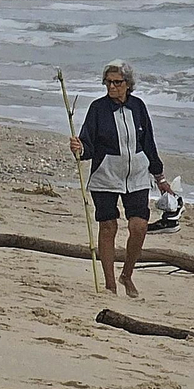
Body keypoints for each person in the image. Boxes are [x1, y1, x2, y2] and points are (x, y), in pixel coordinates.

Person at [70, 60, 173, 298]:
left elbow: (148, 144)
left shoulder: (138, 107)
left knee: (139, 226)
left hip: (137, 175)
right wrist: (79, 148)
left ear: (128, 84)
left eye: (117, 82)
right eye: (108, 82)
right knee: (108, 226)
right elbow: (88, 145)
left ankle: (126, 274)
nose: (112, 87)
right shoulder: (98, 109)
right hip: (105, 176)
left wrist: (160, 178)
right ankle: (110, 284)